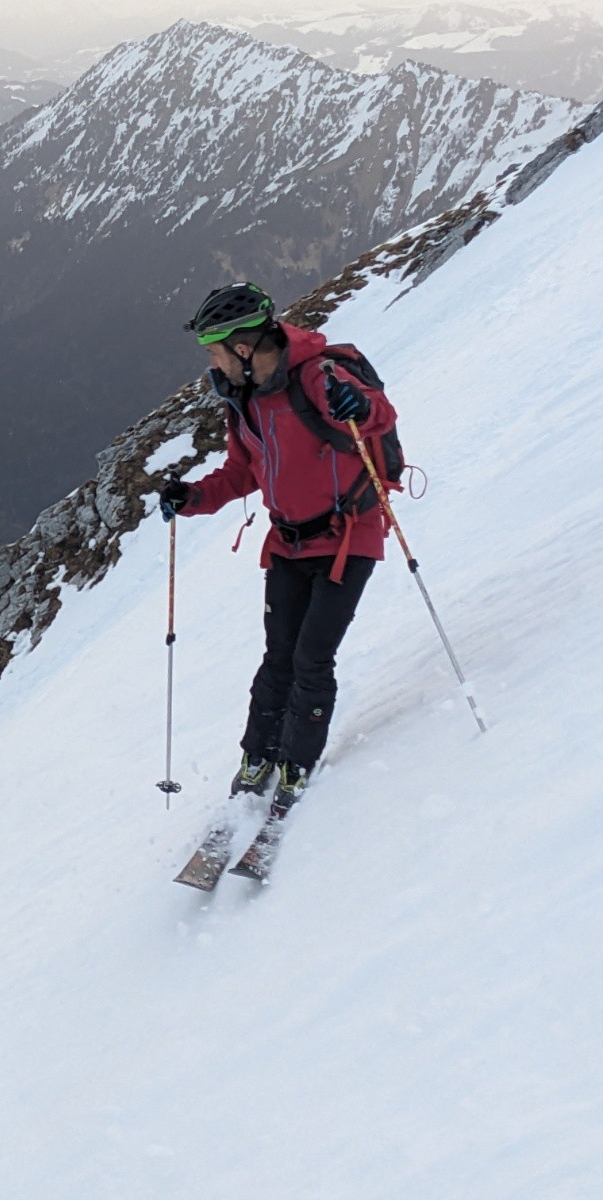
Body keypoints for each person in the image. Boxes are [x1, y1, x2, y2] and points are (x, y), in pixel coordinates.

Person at [159, 282, 397, 815]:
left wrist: (360, 406)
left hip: (347, 538)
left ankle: (297, 763)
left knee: (311, 658)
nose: (212, 363)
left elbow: (378, 417)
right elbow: (243, 471)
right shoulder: (243, 397)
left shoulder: (318, 377)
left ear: (244, 347)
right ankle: (258, 755)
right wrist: (192, 497)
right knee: (278, 658)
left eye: (216, 351)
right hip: (288, 545)